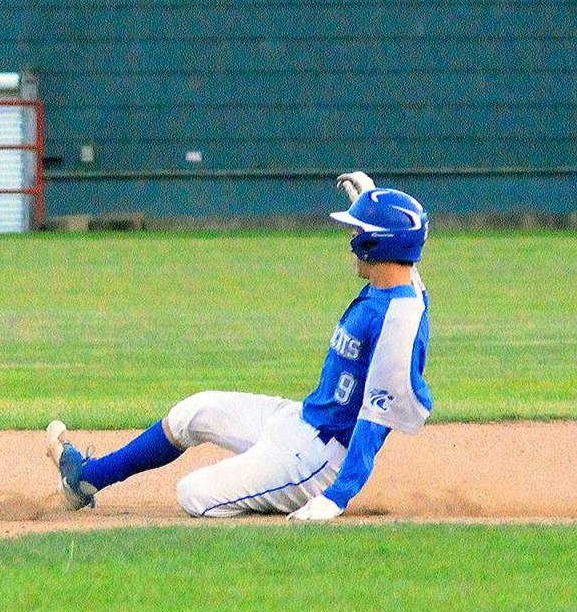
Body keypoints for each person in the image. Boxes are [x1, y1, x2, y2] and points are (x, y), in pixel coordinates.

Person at [46, 172, 431, 522]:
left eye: (357, 231)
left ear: (373, 243)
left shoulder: (398, 318)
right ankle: (85, 481)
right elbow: (406, 256)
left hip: (318, 460)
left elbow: (375, 420)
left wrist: (336, 497)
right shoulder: (398, 284)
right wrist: (371, 199)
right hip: (299, 420)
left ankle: (274, 483)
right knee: (192, 413)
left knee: (193, 494)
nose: (350, 242)